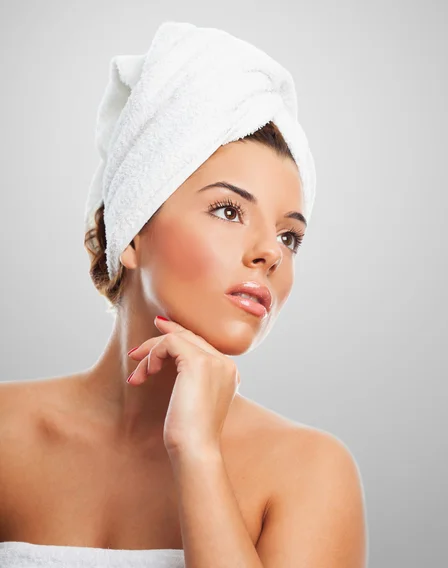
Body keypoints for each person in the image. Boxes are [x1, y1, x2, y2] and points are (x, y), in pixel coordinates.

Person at [0, 22, 367, 568]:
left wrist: (197, 454)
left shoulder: (311, 471)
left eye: (290, 235)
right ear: (132, 234)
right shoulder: (7, 435)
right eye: (228, 210)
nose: (271, 252)